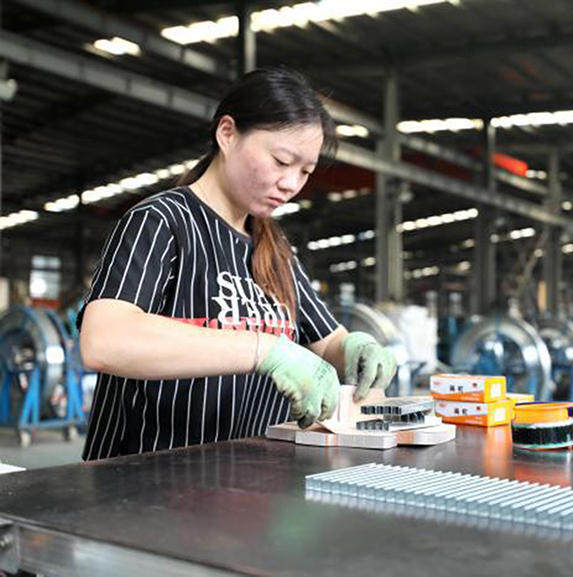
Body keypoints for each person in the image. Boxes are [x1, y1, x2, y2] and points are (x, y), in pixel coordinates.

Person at [77, 68, 397, 461]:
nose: (291, 184)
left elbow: (327, 341)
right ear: (227, 134)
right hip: (144, 478)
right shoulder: (162, 221)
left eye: (305, 171)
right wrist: (263, 350)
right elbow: (105, 340)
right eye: (281, 160)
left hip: (248, 481)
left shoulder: (276, 249)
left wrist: (356, 349)